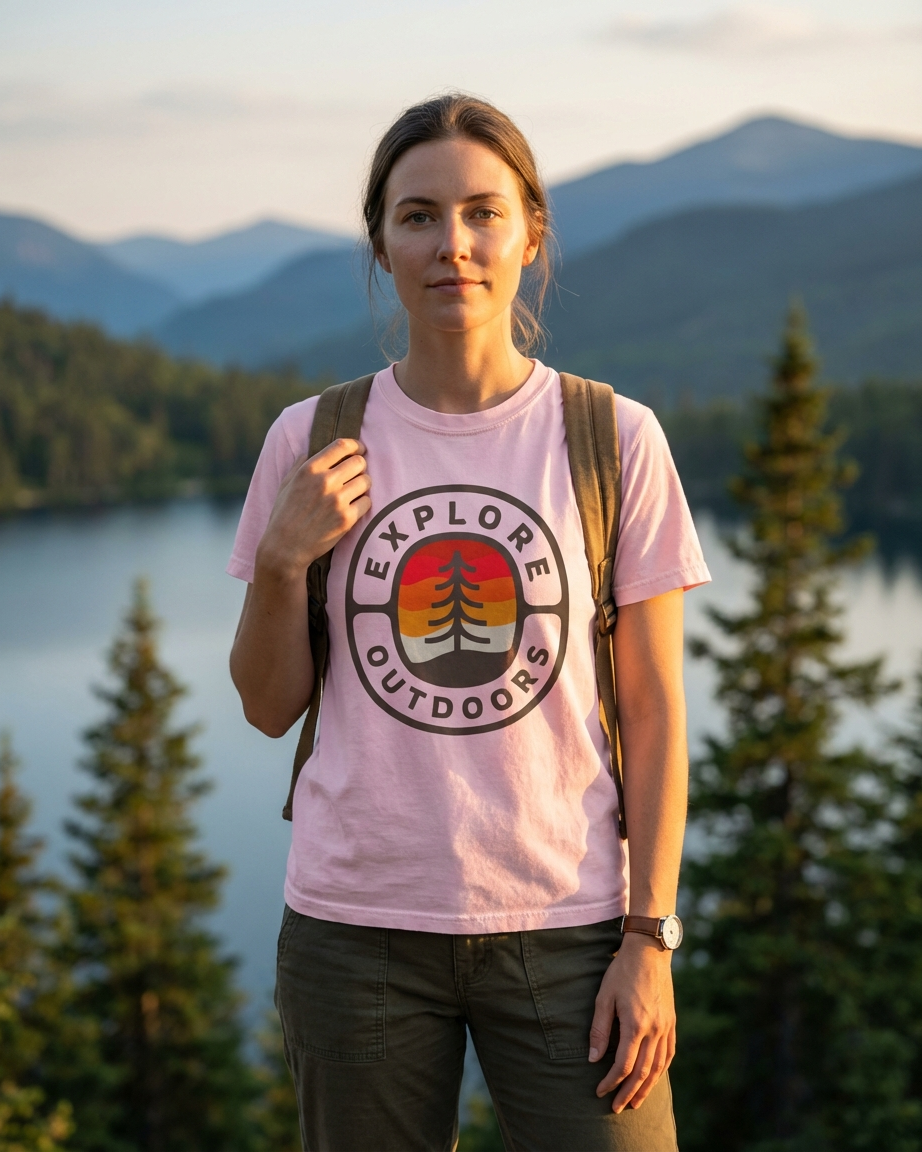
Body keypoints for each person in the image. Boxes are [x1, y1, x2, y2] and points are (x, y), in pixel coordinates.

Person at [228, 93, 710, 1152]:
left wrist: (651, 939)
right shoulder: (310, 439)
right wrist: (279, 558)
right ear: (381, 242)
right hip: (353, 931)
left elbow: (657, 711)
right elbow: (268, 709)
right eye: (418, 216)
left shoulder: (611, 438)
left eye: (482, 212)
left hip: (574, 928)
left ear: (530, 232)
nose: (453, 245)